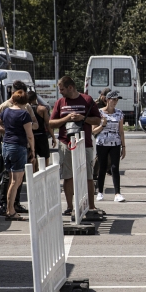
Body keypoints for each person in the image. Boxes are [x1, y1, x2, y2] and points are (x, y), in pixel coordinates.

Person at [49, 76, 102, 216]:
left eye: (62, 89)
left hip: (85, 143)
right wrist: (67, 118)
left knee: (89, 176)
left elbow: (98, 119)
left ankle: (91, 206)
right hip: (66, 143)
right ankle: (69, 206)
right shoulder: (60, 102)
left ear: (70, 87)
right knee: (68, 176)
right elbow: (51, 123)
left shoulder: (87, 100)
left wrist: (82, 118)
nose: (61, 92)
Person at [0, 90, 35, 220]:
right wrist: (33, 150)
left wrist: (1, 137)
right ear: (25, 101)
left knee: (11, 179)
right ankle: (11, 211)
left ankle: (9, 209)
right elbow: (30, 135)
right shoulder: (24, 114)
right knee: (16, 181)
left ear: (13, 100)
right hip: (18, 147)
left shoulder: (6, 111)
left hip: (6, 146)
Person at [92, 90, 126, 203]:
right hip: (102, 143)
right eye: (113, 99)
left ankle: (117, 193)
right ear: (107, 100)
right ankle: (100, 192)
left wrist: (124, 146)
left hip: (115, 143)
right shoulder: (99, 112)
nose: (115, 102)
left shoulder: (119, 113)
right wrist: (103, 124)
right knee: (102, 167)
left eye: (117, 99)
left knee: (115, 168)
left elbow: (121, 131)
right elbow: (93, 131)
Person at [28, 91, 56, 167]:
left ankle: (34, 174)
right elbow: (47, 124)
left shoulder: (25, 109)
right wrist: (53, 137)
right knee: (45, 157)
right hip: (41, 136)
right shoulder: (42, 109)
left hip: (30, 136)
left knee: (33, 157)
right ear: (36, 98)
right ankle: (45, 172)